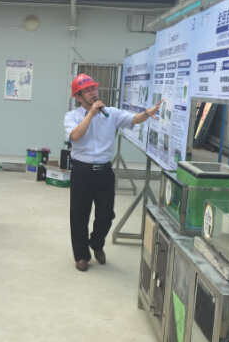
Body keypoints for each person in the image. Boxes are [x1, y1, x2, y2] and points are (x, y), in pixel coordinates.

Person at [65, 74, 162, 272]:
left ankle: (96, 243)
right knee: (79, 216)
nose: (93, 93)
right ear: (79, 97)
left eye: (94, 88)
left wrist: (147, 113)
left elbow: (134, 119)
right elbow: (75, 135)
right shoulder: (72, 117)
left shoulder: (111, 114)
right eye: (87, 91)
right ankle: (81, 256)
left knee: (106, 215)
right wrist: (91, 114)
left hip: (104, 172)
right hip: (82, 172)